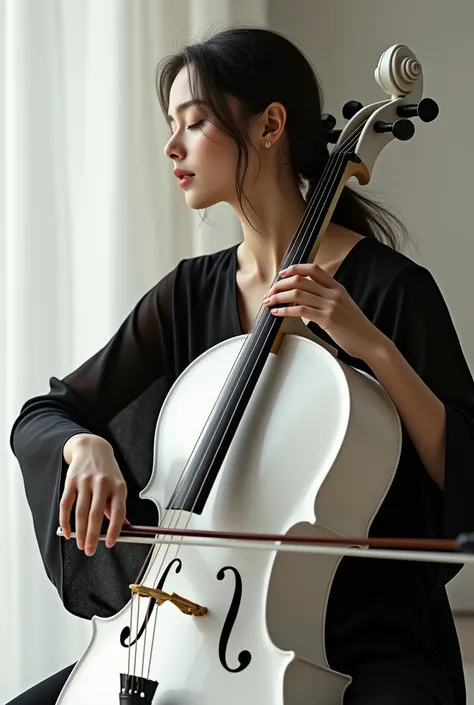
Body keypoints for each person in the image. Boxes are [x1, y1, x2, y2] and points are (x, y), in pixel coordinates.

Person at [8, 26, 474, 705]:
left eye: (194, 122)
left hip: (364, 634)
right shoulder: (187, 293)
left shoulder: (389, 290)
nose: (173, 146)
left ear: (270, 126)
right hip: (201, 622)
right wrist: (84, 445)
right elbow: (45, 413)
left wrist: (371, 345)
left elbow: (463, 456)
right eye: (171, 125)